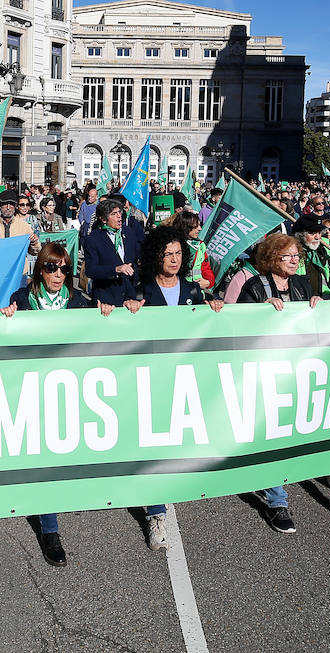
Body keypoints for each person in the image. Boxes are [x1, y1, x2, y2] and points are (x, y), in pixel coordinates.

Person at [0, 242, 109, 567]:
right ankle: (50, 529)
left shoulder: (78, 301)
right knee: (45, 460)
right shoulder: (22, 300)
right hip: (33, 388)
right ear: (40, 269)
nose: (58, 274)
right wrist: (5, 319)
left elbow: (103, 329)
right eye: (51, 267)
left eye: (63, 269)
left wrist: (108, 313)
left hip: (70, 388)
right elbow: (6, 341)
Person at [123, 227, 224, 551]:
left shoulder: (194, 291)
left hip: (186, 378)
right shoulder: (143, 291)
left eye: (179, 253)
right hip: (153, 379)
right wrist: (130, 309)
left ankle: (169, 493)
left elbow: (210, 326)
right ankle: (156, 514)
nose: (175, 259)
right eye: (168, 254)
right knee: (156, 448)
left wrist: (215, 309)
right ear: (156, 256)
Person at [234, 231, 322, 534]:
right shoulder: (255, 286)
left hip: (296, 371)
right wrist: (260, 310)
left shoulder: (301, 284)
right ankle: (277, 501)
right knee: (272, 434)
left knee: (287, 434)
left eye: (297, 255)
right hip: (264, 371)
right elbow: (239, 326)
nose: (296, 260)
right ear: (273, 258)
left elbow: (316, 323)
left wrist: (318, 305)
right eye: (288, 256)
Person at [84, 200, 140, 307]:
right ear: (103, 219)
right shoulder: (93, 239)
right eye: (114, 214)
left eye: (119, 212)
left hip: (129, 296)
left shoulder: (128, 232)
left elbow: (136, 257)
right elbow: (91, 270)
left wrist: (135, 274)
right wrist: (116, 269)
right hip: (106, 298)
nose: (119, 216)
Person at [173, 209, 214, 290]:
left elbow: (205, 267)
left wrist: (209, 281)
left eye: (199, 225)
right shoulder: (173, 245)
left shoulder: (200, 245)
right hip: (179, 289)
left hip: (197, 290)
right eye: (196, 226)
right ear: (185, 227)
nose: (200, 229)